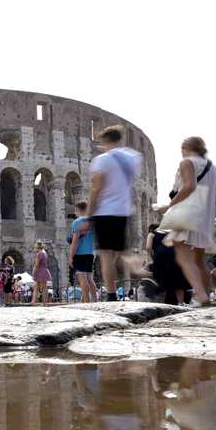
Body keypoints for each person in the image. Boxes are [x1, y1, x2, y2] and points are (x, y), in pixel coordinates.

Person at [156, 137, 216, 306]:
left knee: (183, 257)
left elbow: (189, 186)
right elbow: (215, 196)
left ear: (185, 148)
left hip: (188, 210)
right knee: (199, 260)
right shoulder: (212, 166)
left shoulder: (186, 162)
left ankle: (201, 295)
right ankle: (206, 297)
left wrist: (170, 205)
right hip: (205, 214)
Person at [87, 125, 142, 302]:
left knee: (106, 257)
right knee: (124, 252)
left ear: (106, 141)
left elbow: (96, 188)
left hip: (104, 212)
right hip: (123, 211)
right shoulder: (133, 158)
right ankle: (145, 272)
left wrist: (89, 213)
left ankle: (111, 295)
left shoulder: (102, 160)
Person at [68, 201, 98, 303]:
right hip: (90, 253)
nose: (75, 213)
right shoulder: (92, 223)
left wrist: (71, 256)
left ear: (78, 210)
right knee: (90, 279)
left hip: (80, 253)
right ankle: (95, 300)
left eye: (75, 211)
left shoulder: (77, 222)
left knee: (82, 279)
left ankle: (86, 301)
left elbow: (75, 242)